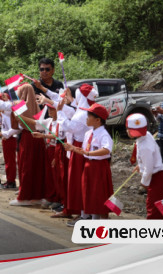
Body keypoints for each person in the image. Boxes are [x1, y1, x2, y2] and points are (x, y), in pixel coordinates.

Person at [57, 84, 98, 224]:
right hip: (85, 147)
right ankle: (86, 214)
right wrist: (69, 99)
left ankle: (84, 215)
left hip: (79, 148)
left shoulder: (82, 113)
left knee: (80, 182)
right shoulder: (89, 109)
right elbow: (76, 107)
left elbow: (69, 126)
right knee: (84, 182)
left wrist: (60, 112)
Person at [64, 103, 113, 221]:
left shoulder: (104, 134)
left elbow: (106, 150)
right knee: (90, 195)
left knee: (99, 195)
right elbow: (85, 150)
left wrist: (89, 154)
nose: (86, 118)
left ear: (97, 120)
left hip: (99, 167)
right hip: (89, 166)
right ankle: (92, 221)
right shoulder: (88, 133)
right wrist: (73, 148)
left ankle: (101, 224)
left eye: (89, 116)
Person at [9, 84, 46, 206]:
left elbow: (14, 125)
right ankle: (37, 196)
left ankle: (24, 196)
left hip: (28, 138)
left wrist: (13, 111)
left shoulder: (19, 106)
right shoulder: (37, 106)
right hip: (39, 138)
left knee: (26, 167)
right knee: (37, 168)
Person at [126, 113, 163, 219]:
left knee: (153, 207)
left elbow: (149, 169)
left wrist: (143, 183)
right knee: (157, 205)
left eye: (127, 129)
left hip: (157, 176)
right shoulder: (146, 135)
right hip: (156, 175)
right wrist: (140, 165)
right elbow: (148, 160)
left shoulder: (145, 146)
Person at [32, 102, 68, 211]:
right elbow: (36, 122)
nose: (50, 111)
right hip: (49, 148)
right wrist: (20, 115)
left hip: (56, 148)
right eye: (49, 109)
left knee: (58, 176)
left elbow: (58, 135)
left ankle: (60, 200)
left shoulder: (62, 122)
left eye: (52, 109)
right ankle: (52, 197)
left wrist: (43, 135)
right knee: (50, 176)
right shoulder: (49, 121)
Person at [0, 92, 20, 189]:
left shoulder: (9, 111)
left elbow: (12, 126)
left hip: (9, 138)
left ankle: (11, 181)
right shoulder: (4, 112)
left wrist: (5, 134)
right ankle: (9, 180)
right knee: (8, 161)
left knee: (10, 161)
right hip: (6, 137)